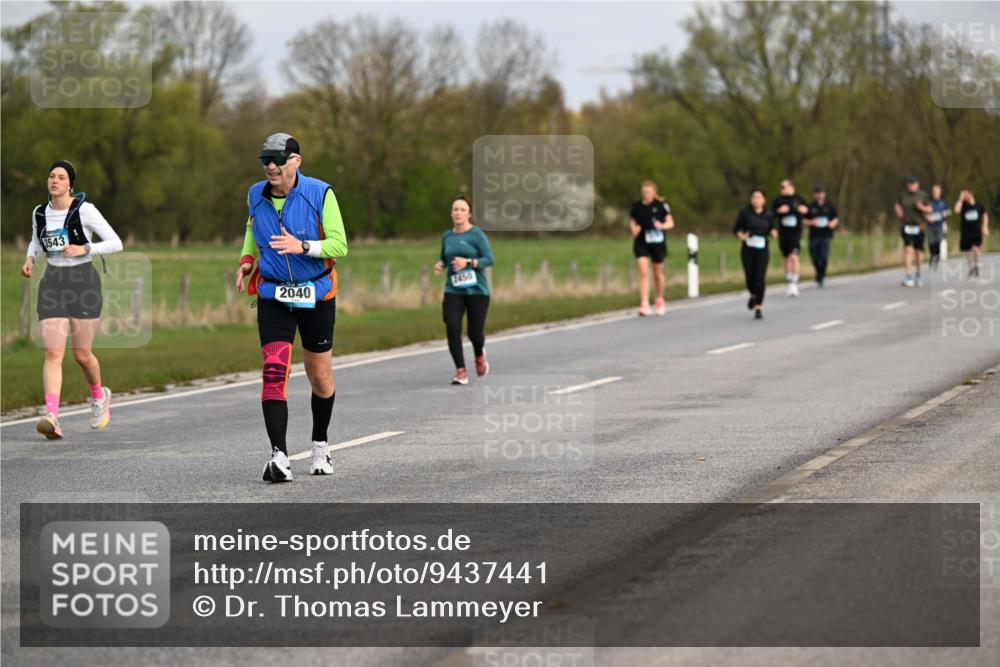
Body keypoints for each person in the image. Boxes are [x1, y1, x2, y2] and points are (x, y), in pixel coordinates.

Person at [235, 133, 348, 483]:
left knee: (320, 376)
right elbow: (253, 231)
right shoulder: (256, 195)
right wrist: (247, 260)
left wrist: (303, 246)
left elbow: (339, 245)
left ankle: (320, 445)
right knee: (273, 371)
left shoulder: (320, 193)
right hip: (274, 296)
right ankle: (279, 456)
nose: (271, 166)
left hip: (316, 293)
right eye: (265, 160)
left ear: (296, 161)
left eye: (278, 159)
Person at [21, 160, 123, 439]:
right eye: (51, 175)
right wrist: (30, 258)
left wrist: (84, 247)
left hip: (83, 282)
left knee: (81, 354)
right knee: (53, 352)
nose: (54, 180)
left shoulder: (85, 210)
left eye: (61, 177)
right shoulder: (39, 212)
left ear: (70, 185)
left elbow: (116, 242)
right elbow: (36, 241)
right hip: (52, 283)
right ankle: (52, 416)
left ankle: (99, 396)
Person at [434, 196, 494, 385]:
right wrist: (441, 265)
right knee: (452, 327)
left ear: (469, 213)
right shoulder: (447, 236)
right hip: (454, 290)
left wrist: (469, 262)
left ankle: (479, 354)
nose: (458, 213)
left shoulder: (476, 235)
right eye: (455, 209)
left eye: (462, 209)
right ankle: (461, 370)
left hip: (477, 291)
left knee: (474, 334)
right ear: (451, 213)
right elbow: (445, 256)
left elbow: (489, 259)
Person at [628, 181, 674, 316]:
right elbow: (632, 220)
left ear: (654, 192)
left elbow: (671, 222)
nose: (646, 194)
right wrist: (634, 228)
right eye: (644, 192)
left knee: (657, 273)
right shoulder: (637, 206)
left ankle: (659, 298)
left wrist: (662, 226)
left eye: (648, 192)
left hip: (657, 242)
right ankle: (644, 303)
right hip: (641, 241)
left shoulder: (661, 205)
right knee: (643, 272)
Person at [733, 188, 777, 320]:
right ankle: (753, 294)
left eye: (758, 197)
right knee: (750, 275)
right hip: (748, 248)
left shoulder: (769, 214)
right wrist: (742, 236)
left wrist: (774, 232)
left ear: (764, 200)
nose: (756, 200)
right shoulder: (745, 213)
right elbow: (736, 229)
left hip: (762, 248)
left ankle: (759, 306)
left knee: (760, 276)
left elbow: (772, 228)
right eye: (754, 197)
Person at [771, 179, 809, 297]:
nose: (782, 189)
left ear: (792, 187)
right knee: (787, 257)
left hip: (796, 234)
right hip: (783, 234)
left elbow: (809, 212)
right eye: (781, 187)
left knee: (794, 256)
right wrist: (779, 211)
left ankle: (794, 282)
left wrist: (804, 210)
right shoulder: (778, 201)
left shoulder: (799, 199)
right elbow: (770, 215)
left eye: (784, 186)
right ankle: (789, 282)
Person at [894, 176, 932, 287]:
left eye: (914, 184)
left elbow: (930, 209)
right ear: (907, 185)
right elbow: (897, 205)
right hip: (907, 225)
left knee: (918, 251)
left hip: (919, 225)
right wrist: (899, 213)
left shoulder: (922, 195)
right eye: (910, 184)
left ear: (917, 184)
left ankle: (918, 274)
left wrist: (922, 208)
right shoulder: (903, 195)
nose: (912, 186)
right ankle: (909, 276)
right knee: (908, 249)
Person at [803, 185, 839, 287]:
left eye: (821, 193)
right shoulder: (810, 207)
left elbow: (836, 218)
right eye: (817, 193)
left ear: (824, 194)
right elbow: (803, 220)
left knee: (823, 257)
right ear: (814, 195)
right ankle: (818, 272)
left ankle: (821, 275)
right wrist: (811, 222)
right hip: (814, 235)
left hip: (825, 235)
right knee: (814, 257)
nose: (819, 195)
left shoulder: (829, 206)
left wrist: (832, 223)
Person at [954, 189, 990, 277]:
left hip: (976, 231)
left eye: (966, 194)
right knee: (967, 251)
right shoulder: (963, 205)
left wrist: (985, 226)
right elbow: (956, 210)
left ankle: (977, 265)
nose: (965, 196)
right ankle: (971, 268)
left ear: (970, 194)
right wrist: (960, 199)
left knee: (975, 248)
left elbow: (985, 215)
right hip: (966, 232)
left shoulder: (979, 205)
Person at [927, 183, 951, 269]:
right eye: (934, 191)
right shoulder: (929, 202)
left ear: (940, 192)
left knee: (938, 242)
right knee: (931, 243)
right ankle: (932, 255)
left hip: (939, 225)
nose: (935, 192)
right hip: (930, 225)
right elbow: (924, 212)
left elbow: (948, 212)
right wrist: (928, 217)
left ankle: (936, 257)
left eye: (937, 191)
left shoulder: (943, 202)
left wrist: (946, 214)